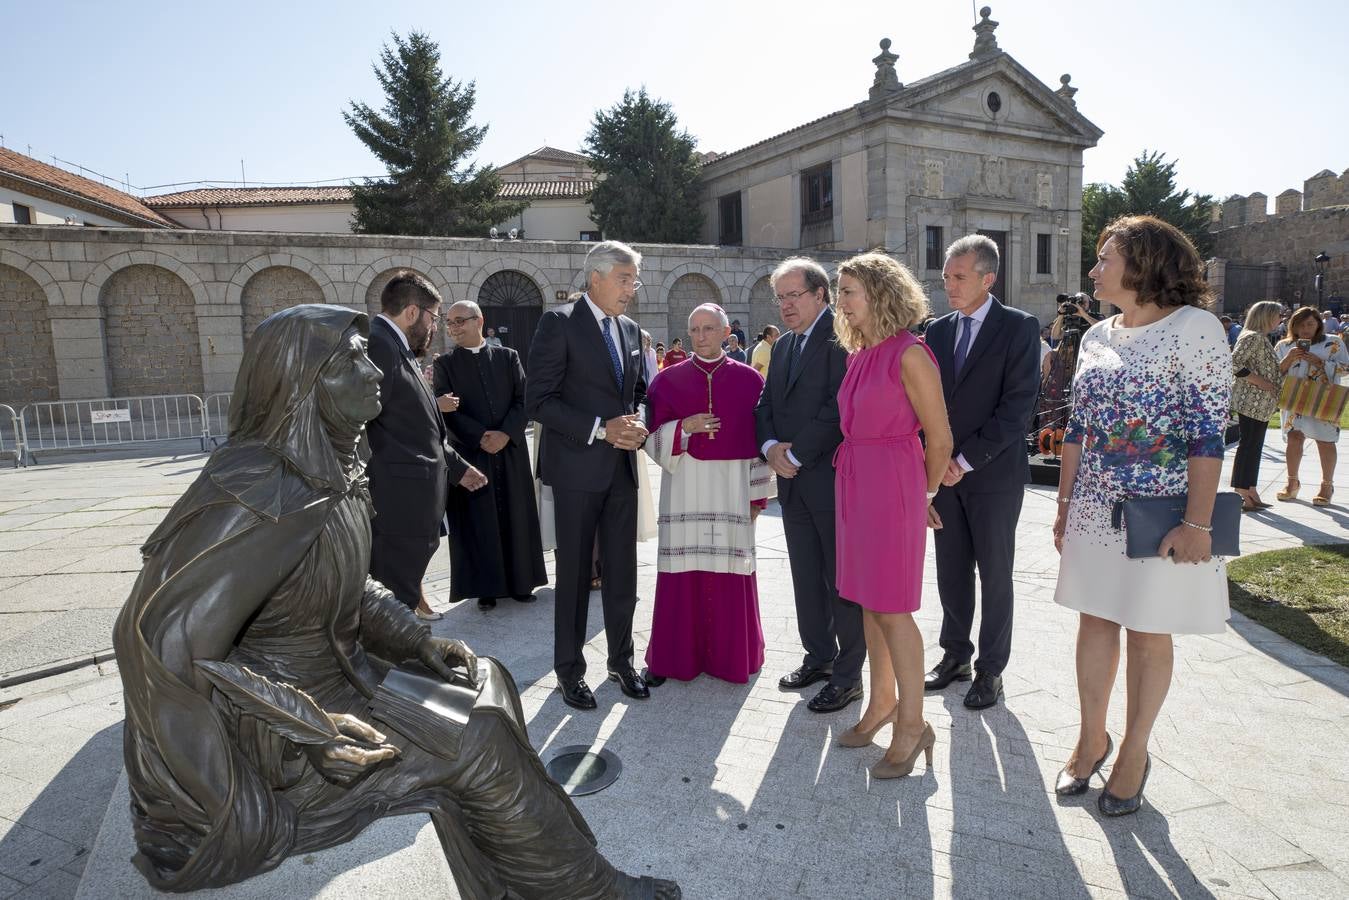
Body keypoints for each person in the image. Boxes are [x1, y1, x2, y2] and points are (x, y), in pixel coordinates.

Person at [111, 305, 680, 899]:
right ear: (305, 380)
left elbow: (354, 586)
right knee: (477, 737)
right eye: (355, 359)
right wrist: (311, 727)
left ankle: (511, 875)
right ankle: (592, 893)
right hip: (276, 728)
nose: (376, 371)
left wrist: (417, 639)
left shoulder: (329, 468)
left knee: (486, 680)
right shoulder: (256, 491)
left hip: (337, 678)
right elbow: (156, 644)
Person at [1052, 215, 1232, 817]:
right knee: (1095, 621)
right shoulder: (1095, 334)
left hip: (1162, 514)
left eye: (1106, 258)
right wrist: (1064, 504)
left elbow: (1210, 433)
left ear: (1146, 265)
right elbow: (1078, 427)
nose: (1094, 269)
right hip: (1094, 509)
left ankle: (1134, 750)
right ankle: (1090, 736)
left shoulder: (1196, 328)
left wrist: (1199, 523)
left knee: (1148, 629)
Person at [831, 253, 952, 779]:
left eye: (850, 292)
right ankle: (881, 705)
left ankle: (913, 723)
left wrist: (921, 496)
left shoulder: (910, 353)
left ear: (879, 293)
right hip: (856, 480)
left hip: (894, 486)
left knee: (894, 610)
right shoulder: (860, 353)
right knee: (868, 603)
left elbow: (941, 438)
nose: (842, 303)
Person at [526, 241, 652, 711]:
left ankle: (622, 662)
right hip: (577, 471)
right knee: (576, 577)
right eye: (625, 279)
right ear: (596, 277)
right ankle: (569, 672)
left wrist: (636, 421)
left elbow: (638, 391)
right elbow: (537, 400)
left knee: (623, 575)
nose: (631, 289)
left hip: (621, 470)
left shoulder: (631, 329)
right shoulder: (558, 324)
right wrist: (601, 429)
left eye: (633, 280)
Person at [923, 235, 1040, 710]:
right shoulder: (936, 331)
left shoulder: (1018, 328)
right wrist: (934, 472)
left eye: (959, 277)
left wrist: (963, 461)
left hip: (992, 476)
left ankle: (991, 670)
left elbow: (1017, 410)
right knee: (951, 572)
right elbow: (924, 408)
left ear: (988, 278)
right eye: (947, 276)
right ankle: (956, 655)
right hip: (943, 479)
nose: (948, 284)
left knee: (995, 575)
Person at [754, 258, 863, 713]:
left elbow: (839, 410)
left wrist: (795, 454)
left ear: (821, 294)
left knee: (840, 581)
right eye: (779, 298)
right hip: (792, 485)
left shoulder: (843, 340)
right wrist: (770, 447)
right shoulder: (782, 347)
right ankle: (818, 656)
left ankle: (849, 674)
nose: (785, 306)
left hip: (829, 479)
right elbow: (765, 405)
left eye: (793, 295)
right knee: (804, 575)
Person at [642, 304, 773, 684]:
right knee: (681, 572)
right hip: (685, 485)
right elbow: (650, 440)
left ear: (726, 331)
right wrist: (685, 427)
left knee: (730, 572)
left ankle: (731, 658)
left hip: (732, 488)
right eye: (695, 329)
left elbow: (760, 443)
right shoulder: (666, 382)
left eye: (709, 329)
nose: (701, 337)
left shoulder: (751, 381)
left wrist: (758, 499)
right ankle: (674, 657)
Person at [367, 272, 485, 620]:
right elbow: (362, 426)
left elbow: (413, 427)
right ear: (413, 313)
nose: (435, 327)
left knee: (398, 599)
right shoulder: (378, 346)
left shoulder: (396, 348)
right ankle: (390, 672)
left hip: (408, 501)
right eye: (434, 317)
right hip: (395, 504)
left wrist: (457, 468)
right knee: (391, 605)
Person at [433, 300, 547, 610]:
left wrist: (506, 433)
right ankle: (486, 587)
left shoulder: (508, 357)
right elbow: (446, 411)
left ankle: (522, 582)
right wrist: (480, 436)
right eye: (449, 322)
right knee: (478, 521)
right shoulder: (445, 364)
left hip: (509, 450)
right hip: (471, 453)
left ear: (479, 321)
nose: (454, 328)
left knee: (517, 514)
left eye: (460, 321)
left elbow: (524, 399)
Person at [1276, 306, 1349, 506]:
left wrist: (1321, 363)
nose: (1306, 328)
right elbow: (1274, 373)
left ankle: (1327, 485)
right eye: (1301, 325)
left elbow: (1346, 369)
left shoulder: (1334, 343)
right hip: (1294, 398)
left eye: (1310, 324)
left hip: (1323, 399)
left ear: (1318, 324)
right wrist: (1289, 358)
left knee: (1325, 441)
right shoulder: (1284, 346)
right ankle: (1292, 483)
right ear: (1293, 326)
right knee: (1294, 437)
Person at [1229, 301, 1283, 510]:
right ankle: (1243, 490)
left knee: (1254, 446)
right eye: (1278, 315)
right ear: (1266, 316)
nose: (1280, 319)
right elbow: (1234, 363)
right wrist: (1260, 381)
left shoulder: (1258, 337)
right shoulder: (1252, 337)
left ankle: (1249, 487)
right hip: (1251, 401)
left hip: (1260, 403)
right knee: (1249, 445)